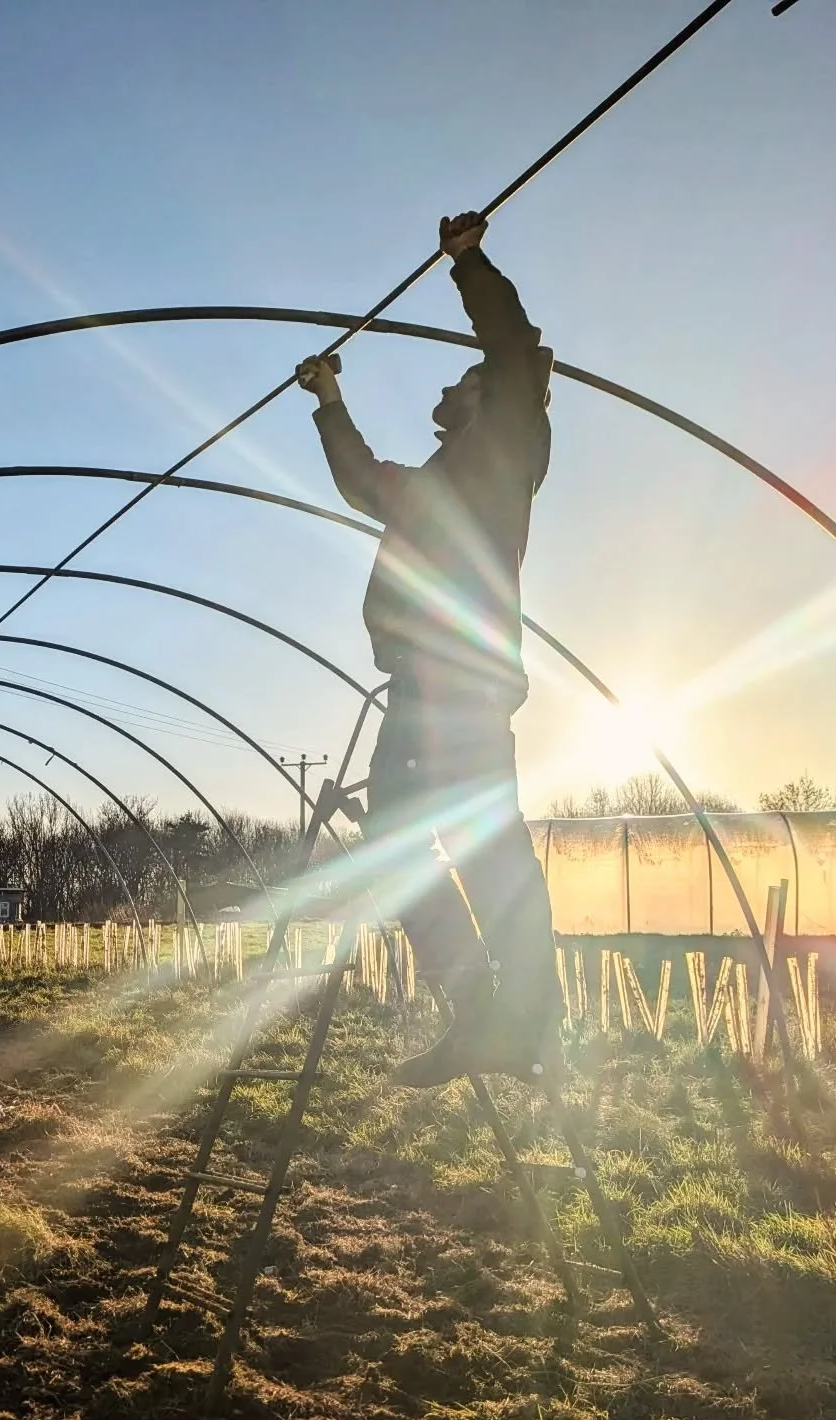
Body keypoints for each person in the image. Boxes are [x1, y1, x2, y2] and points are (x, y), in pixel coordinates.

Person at [296, 211, 559, 1086]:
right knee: (401, 851)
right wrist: (330, 402)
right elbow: (361, 480)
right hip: (419, 693)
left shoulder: (505, 449)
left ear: (494, 396)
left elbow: (513, 350)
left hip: (462, 692)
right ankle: (485, 1017)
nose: (452, 384)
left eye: (466, 377)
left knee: (485, 851)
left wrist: (470, 263)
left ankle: (522, 1022)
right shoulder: (433, 484)